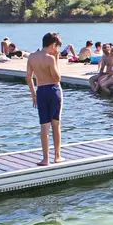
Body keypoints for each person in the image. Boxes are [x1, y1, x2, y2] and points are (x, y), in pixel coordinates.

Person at [26, 32, 64, 167]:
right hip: (53, 90)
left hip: (40, 91)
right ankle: (57, 156)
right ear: (53, 45)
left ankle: (45, 159)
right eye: (57, 47)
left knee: (44, 126)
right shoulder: (50, 58)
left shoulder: (31, 56)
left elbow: (28, 77)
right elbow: (57, 78)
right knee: (55, 124)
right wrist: (57, 60)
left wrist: (33, 94)